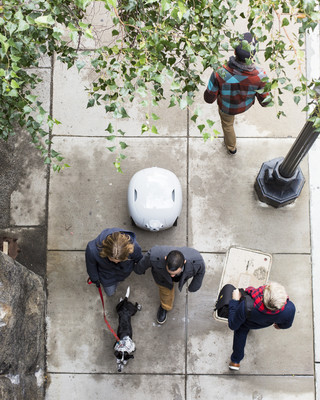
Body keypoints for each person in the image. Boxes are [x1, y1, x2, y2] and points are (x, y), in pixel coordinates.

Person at [204, 32, 270, 155]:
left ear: (234, 52)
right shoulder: (261, 76)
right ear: (253, 55)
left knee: (228, 125)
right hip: (244, 106)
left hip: (226, 108)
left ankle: (231, 147)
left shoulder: (219, 72)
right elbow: (266, 102)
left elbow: (209, 98)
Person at [228, 281, 296, 371]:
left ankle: (235, 361)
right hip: (264, 323)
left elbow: (233, 325)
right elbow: (286, 325)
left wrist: (235, 301)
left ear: (263, 297)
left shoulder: (246, 306)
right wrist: (279, 326)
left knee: (240, 333)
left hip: (246, 322)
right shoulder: (289, 309)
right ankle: (235, 362)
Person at [135, 246, 205, 324]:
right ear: (165, 258)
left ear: (184, 262)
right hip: (162, 279)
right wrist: (139, 269)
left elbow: (201, 271)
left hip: (181, 277)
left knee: (175, 279)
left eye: (175, 273)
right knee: (165, 293)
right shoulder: (154, 255)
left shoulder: (196, 260)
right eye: (170, 273)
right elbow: (144, 262)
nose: (172, 276)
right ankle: (165, 307)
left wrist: (194, 286)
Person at [86, 228, 142, 296]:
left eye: (120, 260)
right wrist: (95, 279)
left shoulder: (134, 246)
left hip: (123, 273)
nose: (116, 262)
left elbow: (139, 258)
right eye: (112, 260)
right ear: (105, 252)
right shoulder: (92, 250)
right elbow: (91, 266)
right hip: (107, 277)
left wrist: (140, 268)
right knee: (110, 293)